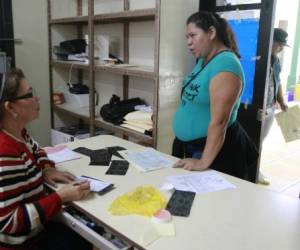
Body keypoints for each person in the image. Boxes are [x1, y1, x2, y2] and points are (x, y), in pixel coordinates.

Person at [0, 69, 92, 250]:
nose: (37, 99)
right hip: (20, 244)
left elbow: (37, 151)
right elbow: (9, 222)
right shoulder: (5, 152)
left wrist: (46, 168)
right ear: (10, 108)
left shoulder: (17, 132)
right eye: (30, 94)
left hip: (34, 231)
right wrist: (60, 197)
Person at [172, 11, 258, 181]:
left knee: (210, 205)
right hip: (191, 146)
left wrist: (203, 161)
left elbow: (220, 122)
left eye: (193, 35)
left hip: (213, 152)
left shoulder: (226, 64)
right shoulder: (205, 60)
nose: (188, 42)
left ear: (211, 33)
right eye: (186, 37)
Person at [258, 28, 289, 185]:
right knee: (254, 139)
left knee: (261, 139)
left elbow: (278, 81)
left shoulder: (276, 61)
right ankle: (252, 170)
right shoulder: (258, 58)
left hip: (269, 106)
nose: (281, 48)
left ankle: (255, 169)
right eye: (279, 44)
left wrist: (281, 101)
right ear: (271, 41)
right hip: (256, 108)